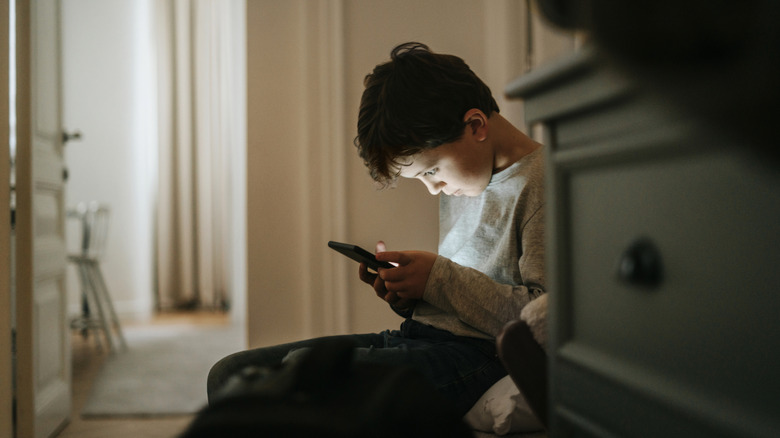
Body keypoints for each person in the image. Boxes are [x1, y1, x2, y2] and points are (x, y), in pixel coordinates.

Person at [207, 42, 546, 416]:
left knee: (301, 374)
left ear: (476, 126)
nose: (433, 188)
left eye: (431, 171)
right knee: (230, 374)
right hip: (420, 338)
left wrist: (439, 278)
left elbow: (543, 320)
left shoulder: (545, 184)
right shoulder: (469, 176)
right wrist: (411, 294)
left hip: (479, 354)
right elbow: (459, 298)